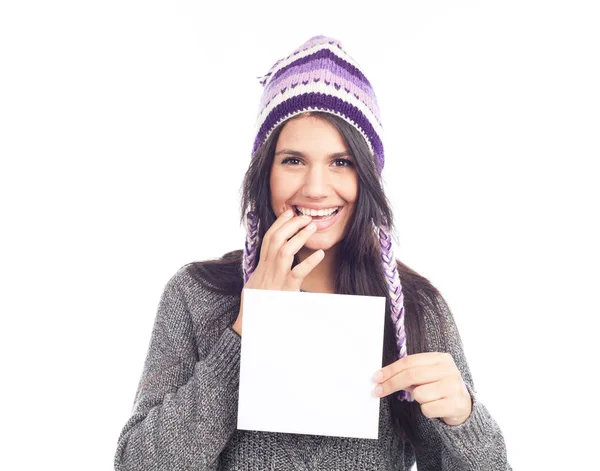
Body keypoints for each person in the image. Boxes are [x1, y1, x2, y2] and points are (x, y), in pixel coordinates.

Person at [114, 35, 512, 470]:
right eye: (293, 160)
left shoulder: (416, 308)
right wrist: (247, 329)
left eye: (341, 162)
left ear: (368, 176)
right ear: (265, 172)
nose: (317, 188)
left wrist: (464, 418)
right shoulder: (196, 294)